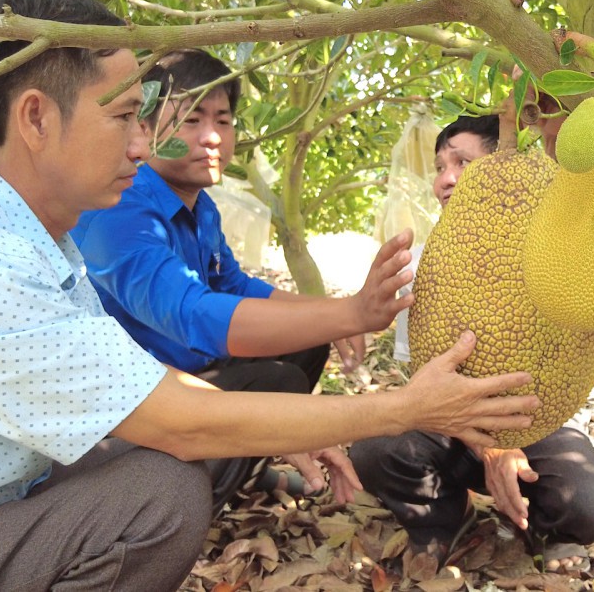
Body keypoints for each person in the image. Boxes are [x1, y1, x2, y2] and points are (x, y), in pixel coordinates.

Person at [0, 0, 540, 592]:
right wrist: (403, 406)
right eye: (125, 117)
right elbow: (182, 373)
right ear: (36, 119)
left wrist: (321, 379)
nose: (140, 144)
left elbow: (146, 367)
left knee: (234, 414)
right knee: (161, 497)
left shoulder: (42, 241)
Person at [70, 47, 401, 497]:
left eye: (223, 121)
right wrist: (352, 316)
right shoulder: (121, 209)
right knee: (277, 383)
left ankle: (237, 473)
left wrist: (332, 312)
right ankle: (179, 504)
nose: (212, 138)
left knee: (305, 343)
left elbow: (235, 285)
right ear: (144, 127)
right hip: (133, 404)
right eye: (192, 120)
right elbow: (189, 311)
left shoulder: (200, 208)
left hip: (191, 370)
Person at [350, 115, 594, 575]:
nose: (445, 179)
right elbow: (421, 384)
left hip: (538, 425)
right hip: (444, 423)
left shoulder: (556, 252)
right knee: (375, 446)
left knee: (593, 504)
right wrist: (491, 447)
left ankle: (541, 527)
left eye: (462, 162)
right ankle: (443, 517)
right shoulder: (423, 262)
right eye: (439, 166)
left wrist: (511, 441)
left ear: (503, 167)